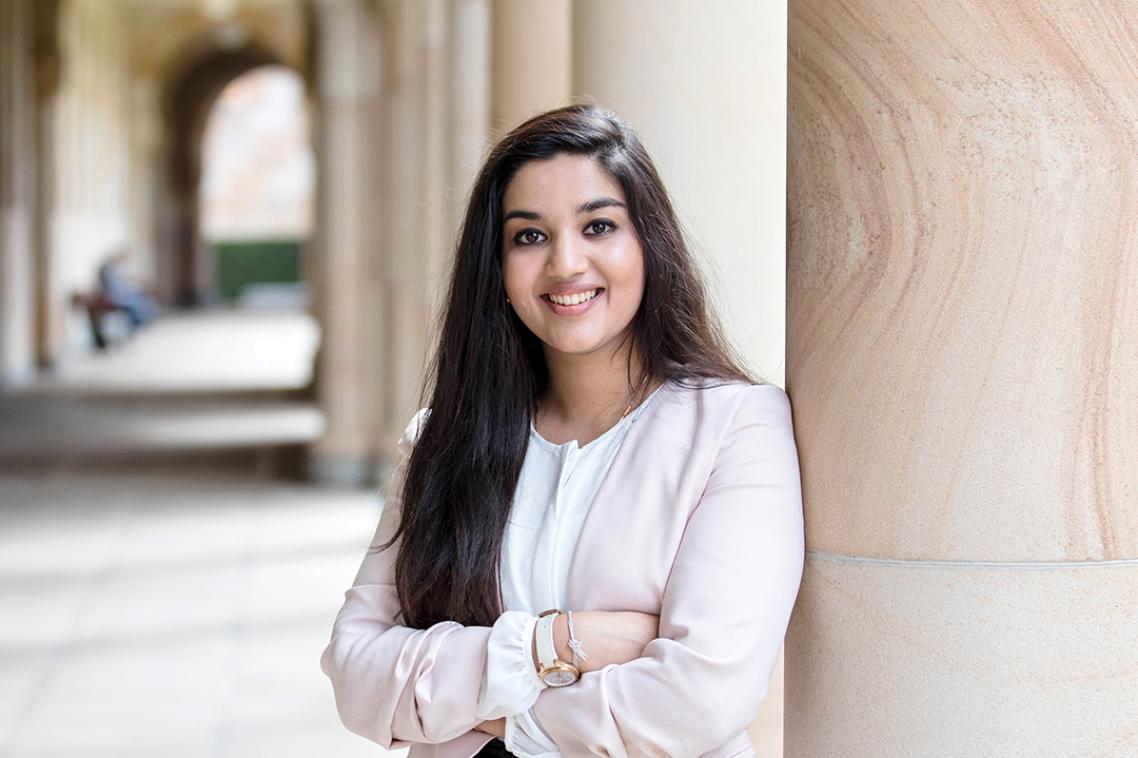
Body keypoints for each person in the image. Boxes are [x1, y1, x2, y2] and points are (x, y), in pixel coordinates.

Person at [320, 104, 804, 757]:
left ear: (649, 244)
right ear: (497, 269)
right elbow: (356, 672)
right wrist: (552, 645)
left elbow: (700, 699)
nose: (566, 264)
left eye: (598, 226)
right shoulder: (445, 438)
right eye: (529, 236)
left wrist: (487, 715)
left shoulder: (734, 428)